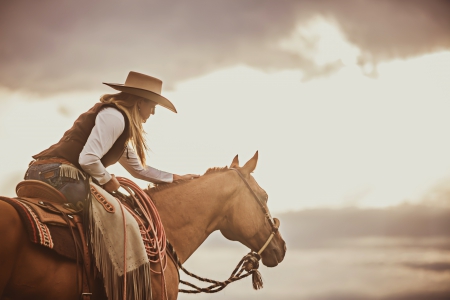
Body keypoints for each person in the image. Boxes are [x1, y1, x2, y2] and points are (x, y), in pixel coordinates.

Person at [25, 71, 199, 205]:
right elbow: (88, 159)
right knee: (114, 216)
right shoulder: (115, 118)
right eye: (152, 106)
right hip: (56, 174)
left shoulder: (117, 122)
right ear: (139, 103)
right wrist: (107, 181)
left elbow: (138, 170)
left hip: (46, 172)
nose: (153, 113)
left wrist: (175, 178)